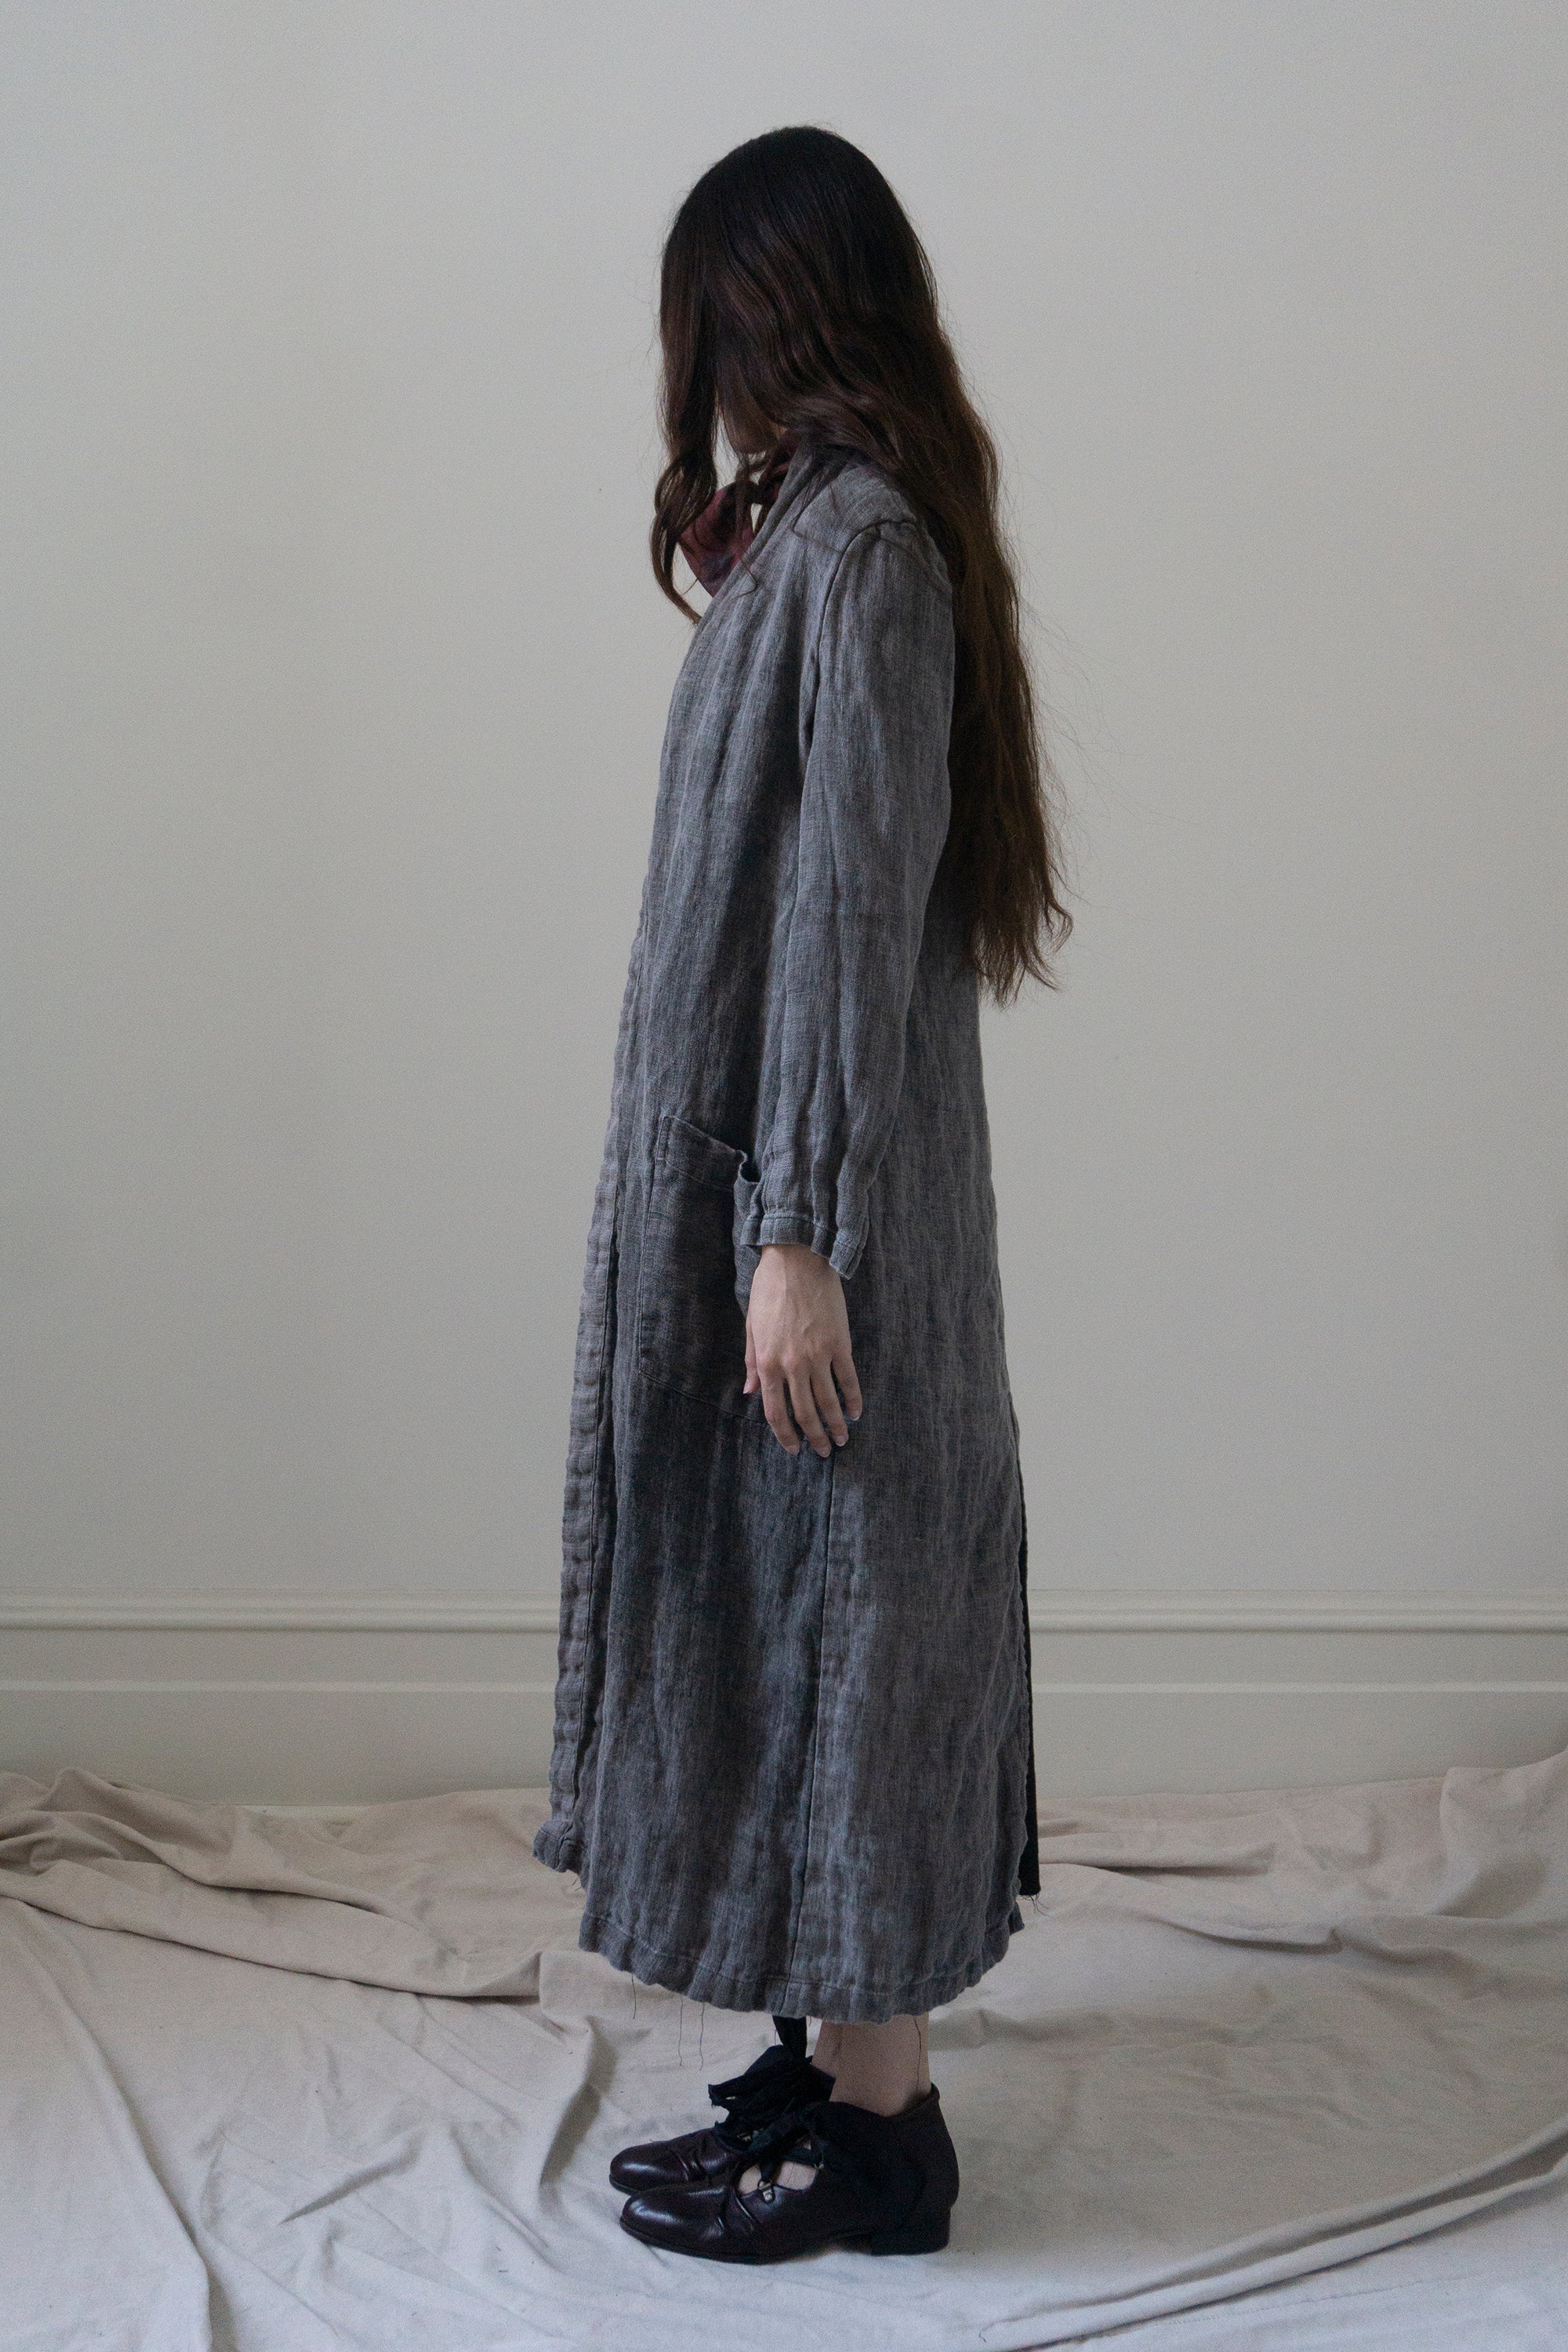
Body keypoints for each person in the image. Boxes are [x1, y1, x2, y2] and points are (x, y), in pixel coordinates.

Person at [533, 123, 1071, 2263]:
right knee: (794, 1601)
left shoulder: (867, 555)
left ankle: (885, 2135)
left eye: (706, 322)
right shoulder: (825, 535)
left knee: (854, 1610)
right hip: (764, 1172)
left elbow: (844, 924)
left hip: (806, 1200)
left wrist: (796, 1239)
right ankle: (837, 2063)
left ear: (766, 317)